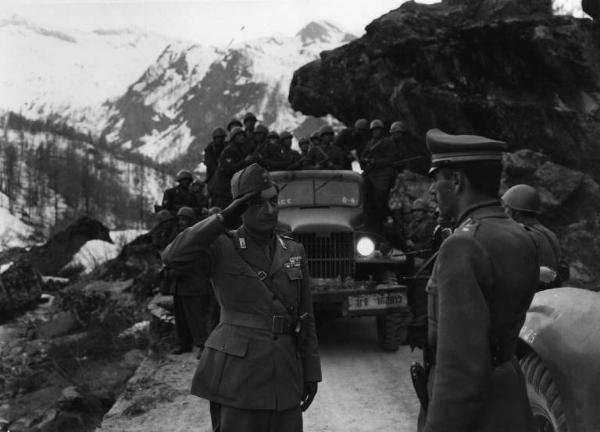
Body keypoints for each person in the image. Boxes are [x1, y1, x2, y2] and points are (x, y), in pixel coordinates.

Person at [162, 163, 321, 432]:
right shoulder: (221, 246)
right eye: (258, 203)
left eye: (273, 201)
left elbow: (306, 317)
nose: (270, 210)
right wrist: (222, 218)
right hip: (238, 376)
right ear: (240, 208)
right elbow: (172, 256)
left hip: (285, 374)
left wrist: (311, 372)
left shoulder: (293, 249)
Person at [417, 129, 538, 432]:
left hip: (475, 416)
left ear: (457, 181)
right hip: (509, 397)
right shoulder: (517, 234)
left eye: (437, 178)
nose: (433, 190)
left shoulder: (463, 245)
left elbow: (460, 370)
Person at [163, 206, 215, 355]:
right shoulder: (180, 236)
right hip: (179, 287)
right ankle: (184, 344)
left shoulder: (198, 236)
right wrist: (167, 270)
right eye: (180, 219)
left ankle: (202, 346)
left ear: (191, 220)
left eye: (185, 219)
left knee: (196, 318)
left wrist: (173, 272)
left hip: (194, 285)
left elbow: (195, 261)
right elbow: (171, 256)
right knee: (181, 319)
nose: (182, 222)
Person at [502, 183, 568, 286]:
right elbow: (565, 272)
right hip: (553, 293)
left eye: (507, 208)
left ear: (516, 214)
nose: (504, 212)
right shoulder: (550, 234)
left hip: (532, 297)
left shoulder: (518, 234)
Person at [360, 120, 400, 233]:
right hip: (371, 172)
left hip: (383, 171)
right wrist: (365, 161)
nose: (376, 132)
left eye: (378, 130)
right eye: (374, 130)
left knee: (381, 193)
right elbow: (362, 156)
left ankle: (385, 215)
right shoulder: (369, 143)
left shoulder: (387, 142)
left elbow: (390, 158)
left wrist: (375, 162)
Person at [208, 126, 256, 210]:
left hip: (231, 189)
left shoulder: (239, 150)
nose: (242, 137)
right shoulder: (229, 151)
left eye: (242, 135)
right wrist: (245, 162)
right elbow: (229, 170)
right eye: (238, 136)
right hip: (223, 191)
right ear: (233, 138)